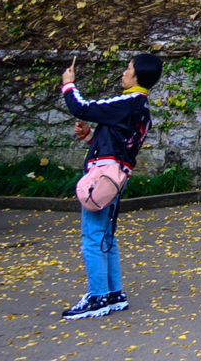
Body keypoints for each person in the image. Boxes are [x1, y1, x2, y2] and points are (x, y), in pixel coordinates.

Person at [57, 52, 160, 319]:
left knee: (92, 237)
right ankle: (114, 294)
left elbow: (82, 107)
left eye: (128, 69)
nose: (123, 73)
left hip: (102, 177)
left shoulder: (128, 101)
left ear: (138, 76)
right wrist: (90, 135)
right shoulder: (142, 109)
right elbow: (118, 145)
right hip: (117, 176)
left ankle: (97, 297)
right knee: (106, 237)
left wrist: (68, 84)